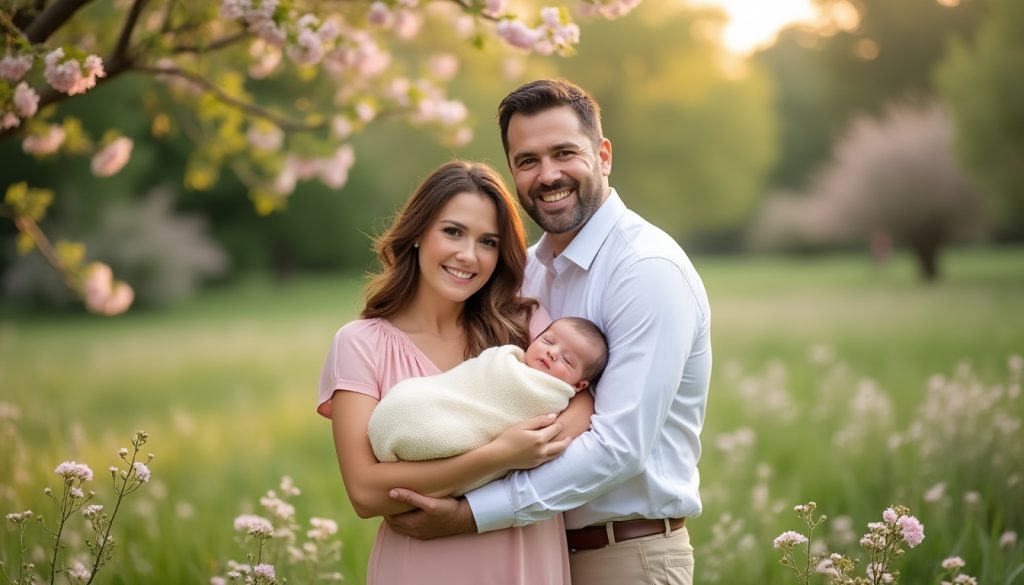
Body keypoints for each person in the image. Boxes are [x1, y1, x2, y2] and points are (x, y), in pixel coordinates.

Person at [385, 80, 713, 585]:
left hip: (624, 555)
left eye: (565, 153)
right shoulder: (525, 274)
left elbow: (618, 447)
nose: (548, 175)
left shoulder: (645, 269)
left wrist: (471, 513)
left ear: (603, 155)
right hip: (533, 558)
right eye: (528, 160)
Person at [317, 160, 594, 584]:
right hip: (422, 565)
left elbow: (583, 409)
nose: (468, 256)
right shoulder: (359, 343)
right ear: (417, 234)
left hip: (523, 560)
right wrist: (499, 456)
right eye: (452, 232)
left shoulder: (526, 327)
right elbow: (366, 492)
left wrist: (468, 512)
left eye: (487, 241)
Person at [369, 317, 609, 494]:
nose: (552, 352)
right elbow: (466, 384)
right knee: (411, 400)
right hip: (421, 403)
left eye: (567, 360)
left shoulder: (550, 400)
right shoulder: (503, 360)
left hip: (453, 433)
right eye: (548, 341)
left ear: (578, 386)